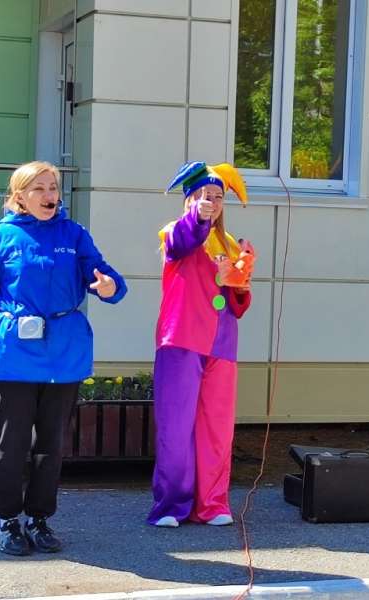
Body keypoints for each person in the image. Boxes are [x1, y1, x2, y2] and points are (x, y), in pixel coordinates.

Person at [0, 161, 127, 555]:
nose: (49, 196)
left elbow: (107, 279)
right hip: (15, 356)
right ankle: (8, 522)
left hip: (64, 352)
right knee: (11, 443)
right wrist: (3, 332)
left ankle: (39, 520)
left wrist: (109, 287)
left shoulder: (73, 235)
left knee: (51, 444)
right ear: (19, 195)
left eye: (53, 188)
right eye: (38, 188)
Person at [147, 161, 255, 528]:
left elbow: (237, 304)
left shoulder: (228, 244)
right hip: (181, 338)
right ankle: (171, 505)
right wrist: (198, 217)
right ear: (190, 199)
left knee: (217, 428)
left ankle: (212, 503)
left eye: (218, 196)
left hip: (222, 344)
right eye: (203, 195)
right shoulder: (176, 231)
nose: (212, 201)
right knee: (176, 426)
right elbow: (183, 242)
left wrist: (240, 282)